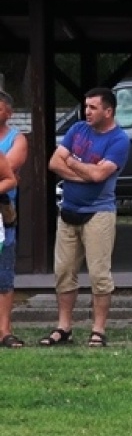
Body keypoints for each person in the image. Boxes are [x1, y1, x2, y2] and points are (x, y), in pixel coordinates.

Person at [43, 87, 130, 348]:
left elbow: (98, 176)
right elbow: (54, 164)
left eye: (93, 107)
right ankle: (64, 327)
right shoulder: (78, 129)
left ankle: (98, 330)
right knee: (64, 271)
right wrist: (82, 170)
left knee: (99, 276)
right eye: (86, 106)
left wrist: (72, 161)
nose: (87, 111)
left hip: (99, 213)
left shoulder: (119, 140)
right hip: (68, 209)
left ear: (108, 111)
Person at [0, 88, 29, 348]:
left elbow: (8, 171)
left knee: (4, 272)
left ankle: (4, 330)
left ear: (8, 112)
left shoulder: (16, 139)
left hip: (2, 212)